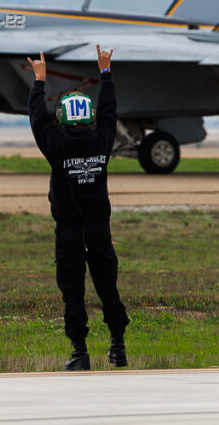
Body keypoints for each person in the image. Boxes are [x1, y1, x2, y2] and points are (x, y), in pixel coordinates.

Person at [27, 45, 129, 371]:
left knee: (73, 294)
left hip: (69, 233)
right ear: (90, 117)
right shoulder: (103, 141)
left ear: (63, 119)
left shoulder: (55, 146)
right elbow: (110, 110)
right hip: (100, 232)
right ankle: (118, 346)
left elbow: (37, 118)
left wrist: (39, 81)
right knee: (108, 290)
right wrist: (105, 73)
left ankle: (79, 352)